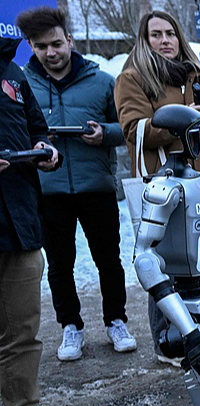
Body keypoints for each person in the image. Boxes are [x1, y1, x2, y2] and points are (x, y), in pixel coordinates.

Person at [17, 7, 136, 362]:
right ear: (31, 47)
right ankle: (70, 326)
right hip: (49, 191)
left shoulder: (102, 81)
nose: (50, 52)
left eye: (56, 43)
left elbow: (126, 129)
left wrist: (103, 134)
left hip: (96, 187)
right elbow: (15, 133)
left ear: (69, 40)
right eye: (41, 46)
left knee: (108, 261)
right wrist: (37, 141)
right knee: (59, 265)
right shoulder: (21, 85)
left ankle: (116, 320)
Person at [113, 10, 200, 365]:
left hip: (199, 189)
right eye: (156, 34)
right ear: (144, 40)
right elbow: (134, 129)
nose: (165, 40)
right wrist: (183, 117)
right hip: (164, 193)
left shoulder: (196, 75)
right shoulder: (133, 78)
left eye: (170, 33)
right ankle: (170, 342)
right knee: (166, 265)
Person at [0, 35, 80, 406]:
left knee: (23, 330)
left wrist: (44, 148)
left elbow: (36, 127)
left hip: (20, 222)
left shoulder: (12, 72)